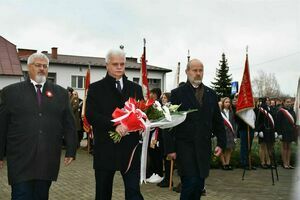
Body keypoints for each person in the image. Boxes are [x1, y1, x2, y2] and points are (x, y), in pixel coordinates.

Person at [0, 52, 77, 200]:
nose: (42, 69)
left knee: (41, 196)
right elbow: (2, 125)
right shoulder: (11, 92)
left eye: (45, 66)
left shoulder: (60, 93)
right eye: (38, 65)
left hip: (47, 158)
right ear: (29, 67)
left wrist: (71, 150)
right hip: (20, 158)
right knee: (21, 195)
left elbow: (69, 124)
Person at [86, 49, 144, 200]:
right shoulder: (95, 88)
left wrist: (140, 125)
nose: (119, 67)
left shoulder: (135, 89)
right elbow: (91, 115)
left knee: (133, 192)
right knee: (103, 194)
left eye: (122, 64)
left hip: (130, 149)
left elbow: (142, 113)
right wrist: (114, 125)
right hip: (106, 148)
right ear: (107, 65)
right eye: (115, 64)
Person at [165, 59, 226, 200]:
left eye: (201, 70)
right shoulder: (177, 93)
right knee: (190, 182)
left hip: (204, 147)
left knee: (199, 185)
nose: (198, 73)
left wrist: (221, 143)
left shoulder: (211, 94)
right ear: (187, 72)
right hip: (185, 147)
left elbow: (217, 121)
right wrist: (170, 148)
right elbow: (168, 123)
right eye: (195, 70)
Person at [146, 88, 164, 184]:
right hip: (151, 132)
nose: (150, 95)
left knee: (156, 154)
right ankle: (154, 172)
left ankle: (159, 173)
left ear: (156, 94)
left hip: (157, 134)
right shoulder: (151, 104)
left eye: (152, 94)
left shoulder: (158, 105)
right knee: (152, 154)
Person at [255, 97, 277, 169]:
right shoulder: (261, 109)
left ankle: (269, 162)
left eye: (269, 100)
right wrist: (259, 130)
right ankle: (262, 162)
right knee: (263, 146)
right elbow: (258, 120)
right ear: (264, 101)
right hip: (263, 130)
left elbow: (274, 120)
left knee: (269, 146)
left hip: (270, 130)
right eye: (267, 100)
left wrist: (275, 131)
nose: (268, 101)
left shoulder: (271, 109)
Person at [276, 98, 297, 169]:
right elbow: (278, 123)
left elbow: (294, 123)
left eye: (290, 102)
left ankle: (288, 163)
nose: (289, 103)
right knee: (284, 147)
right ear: (284, 103)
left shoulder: (293, 112)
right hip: (283, 132)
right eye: (287, 102)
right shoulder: (281, 111)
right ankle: (284, 163)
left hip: (290, 132)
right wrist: (279, 133)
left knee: (289, 148)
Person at [220, 97, 236, 170]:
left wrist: (235, 135)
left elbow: (233, 124)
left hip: (230, 133)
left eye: (229, 102)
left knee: (229, 149)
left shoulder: (231, 112)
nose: (228, 103)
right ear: (223, 103)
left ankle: (227, 163)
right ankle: (223, 164)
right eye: (226, 102)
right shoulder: (220, 112)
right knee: (222, 149)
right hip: (222, 133)